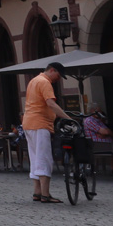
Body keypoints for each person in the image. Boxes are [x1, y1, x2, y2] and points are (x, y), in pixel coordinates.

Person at [23, 61, 73, 204]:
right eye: (58, 75)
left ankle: (37, 192)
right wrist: (68, 119)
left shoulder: (33, 81)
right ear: (52, 70)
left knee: (34, 158)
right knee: (44, 158)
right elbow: (50, 103)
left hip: (29, 123)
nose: (59, 79)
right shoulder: (45, 82)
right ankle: (45, 194)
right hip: (40, 124)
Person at [82, 109, 113, 180]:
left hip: (108, 144)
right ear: (92, 111)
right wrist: (106, 133)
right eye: (98, 111)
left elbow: (110, 133)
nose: (100, 113)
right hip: (102, 146)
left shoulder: (99, 121)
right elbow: (106, 132)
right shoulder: (90, 121)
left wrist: (106, 133)